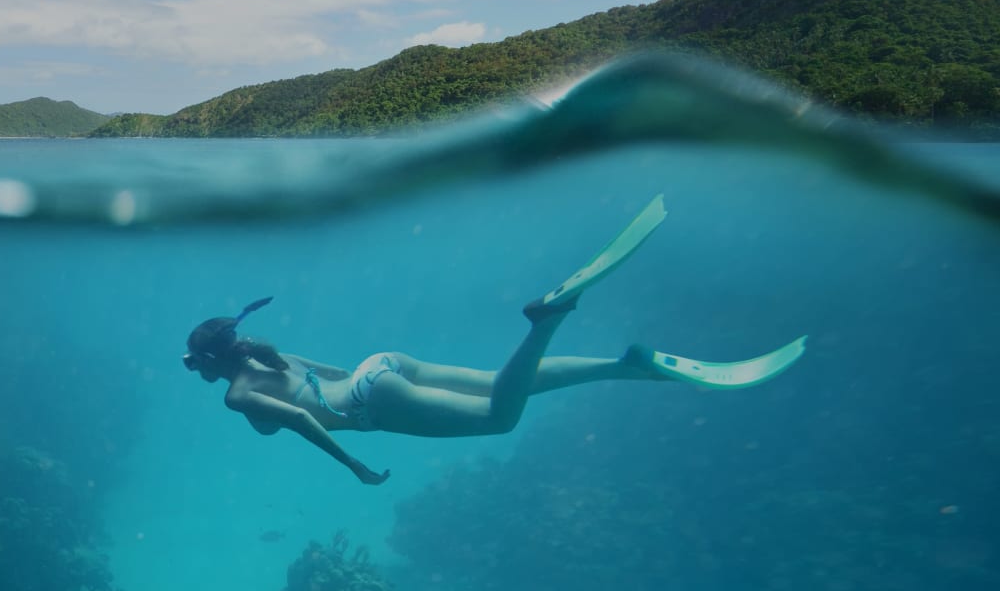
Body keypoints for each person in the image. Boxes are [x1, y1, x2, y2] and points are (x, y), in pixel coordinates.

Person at [181, 196, 806, 484]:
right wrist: (376, 385)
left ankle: (547, 321)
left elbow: (303, 422)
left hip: (371, 406)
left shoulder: (237, 394)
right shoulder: (269, 350)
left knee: (498, 418)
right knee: (502, 383)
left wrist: (354, 465)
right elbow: (339, 371)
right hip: (380, 366)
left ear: (208, 363)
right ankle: (625, 364)